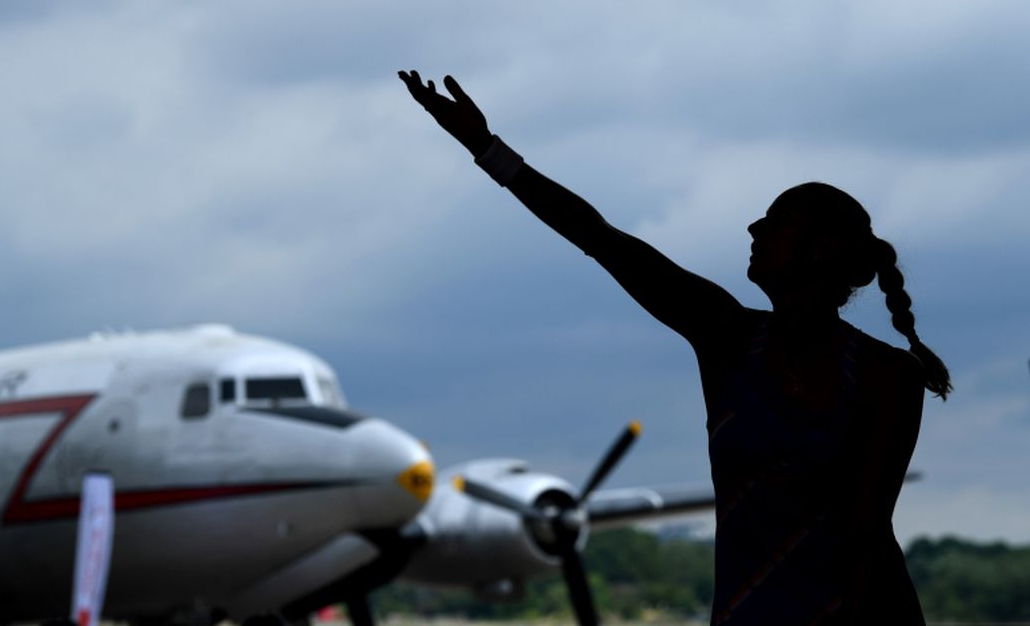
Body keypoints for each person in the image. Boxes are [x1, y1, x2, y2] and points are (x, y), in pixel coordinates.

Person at [398, 70, 950, 625]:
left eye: (778, 220)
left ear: (821, 248)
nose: (754, 227)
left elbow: (866, 536)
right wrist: (487, 149)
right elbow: (598, 236)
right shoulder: (730, 336)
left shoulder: (888, 376)